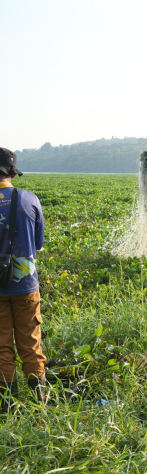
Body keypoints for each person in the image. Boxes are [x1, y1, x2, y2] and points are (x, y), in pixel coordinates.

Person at [0, 148, 47, 409]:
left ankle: (6, 407)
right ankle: (39, 402)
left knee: (1, 345)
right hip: (25, 284)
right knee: (30, 341)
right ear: (11, 173)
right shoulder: (30, 200)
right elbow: (38, 243)